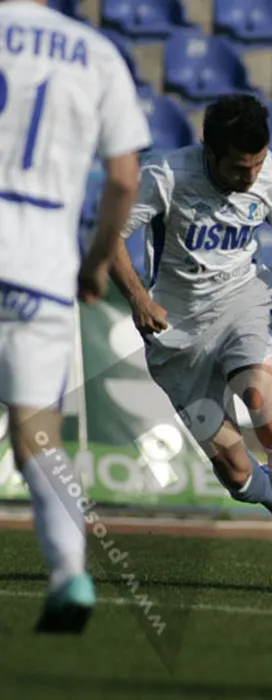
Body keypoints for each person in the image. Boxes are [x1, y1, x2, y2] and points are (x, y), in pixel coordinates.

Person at [108, 95, 272, 595]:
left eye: (257, 164)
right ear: (209, 153)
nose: (250, 176)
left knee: (264, 400)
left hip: (244, 303)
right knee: (237, 474)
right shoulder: (166, 176)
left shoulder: (270, 178)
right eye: (240, 168)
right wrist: (137, 297)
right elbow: (109, 236)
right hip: (176, 333)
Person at [0, 0, 151, 631]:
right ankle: (69, 574)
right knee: (38, 437)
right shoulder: (96, 53)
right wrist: (95, 263)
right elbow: (124, 179)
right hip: (40, 267)